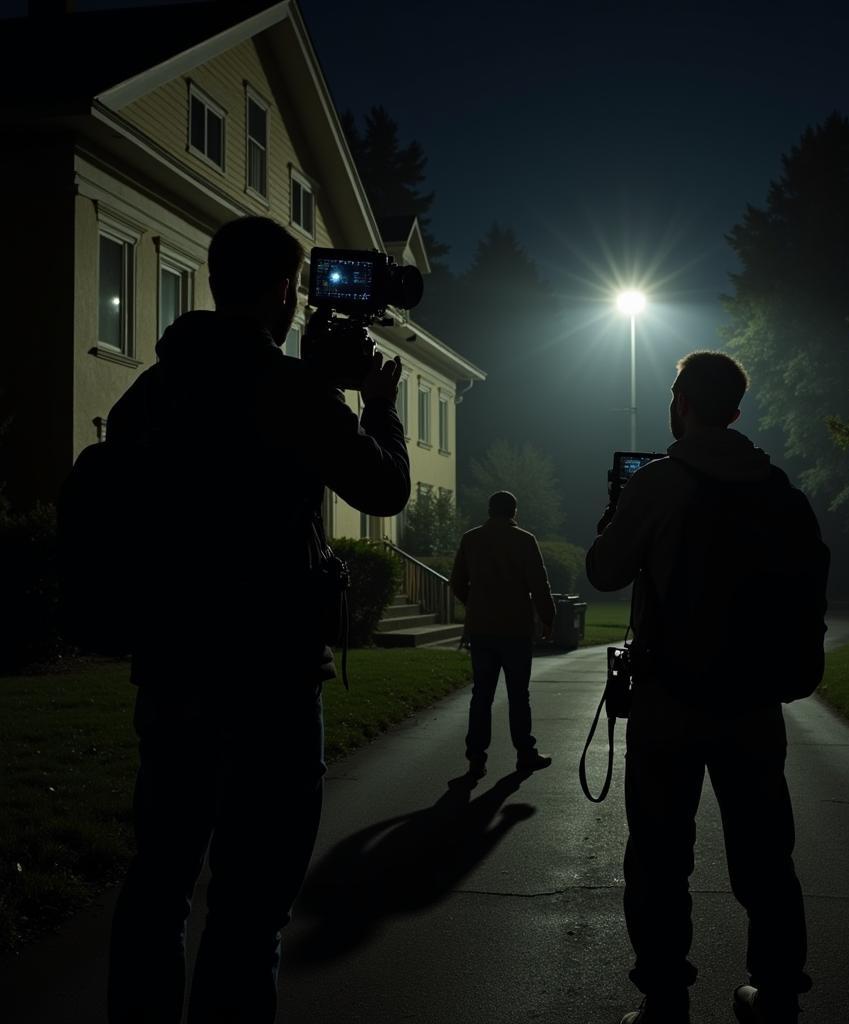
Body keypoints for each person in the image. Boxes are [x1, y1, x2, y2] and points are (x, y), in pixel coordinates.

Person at [105, 215, 410, 1023]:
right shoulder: (286, 388)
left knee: (160, 883)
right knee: (249, 906)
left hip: (172, 664)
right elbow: (382, 489)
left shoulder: (154, 390)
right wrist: (375, 406)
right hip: (271, 676)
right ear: (283, 291)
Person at [586, 351, 823, 1024]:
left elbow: (605, 571)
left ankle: (665, 997)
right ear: (736, 412)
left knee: (661, 854)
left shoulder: (659, 483)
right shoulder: (777, 489)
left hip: (671, 698)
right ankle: (776, 990)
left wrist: (617, 513)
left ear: (680, 404)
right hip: (754, 702)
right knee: (766, 854)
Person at [450, 490, 557, 779]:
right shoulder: (524, 540)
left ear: (489, 510)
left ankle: (476, 757)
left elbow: (457, 581)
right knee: (518, 695)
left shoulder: (471, 539)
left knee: (481, 695)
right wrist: (548, 618)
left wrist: (474, 603)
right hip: (515, 629)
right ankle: (525, 753)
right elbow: (539, 584)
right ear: (514, 511)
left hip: (482, 628)